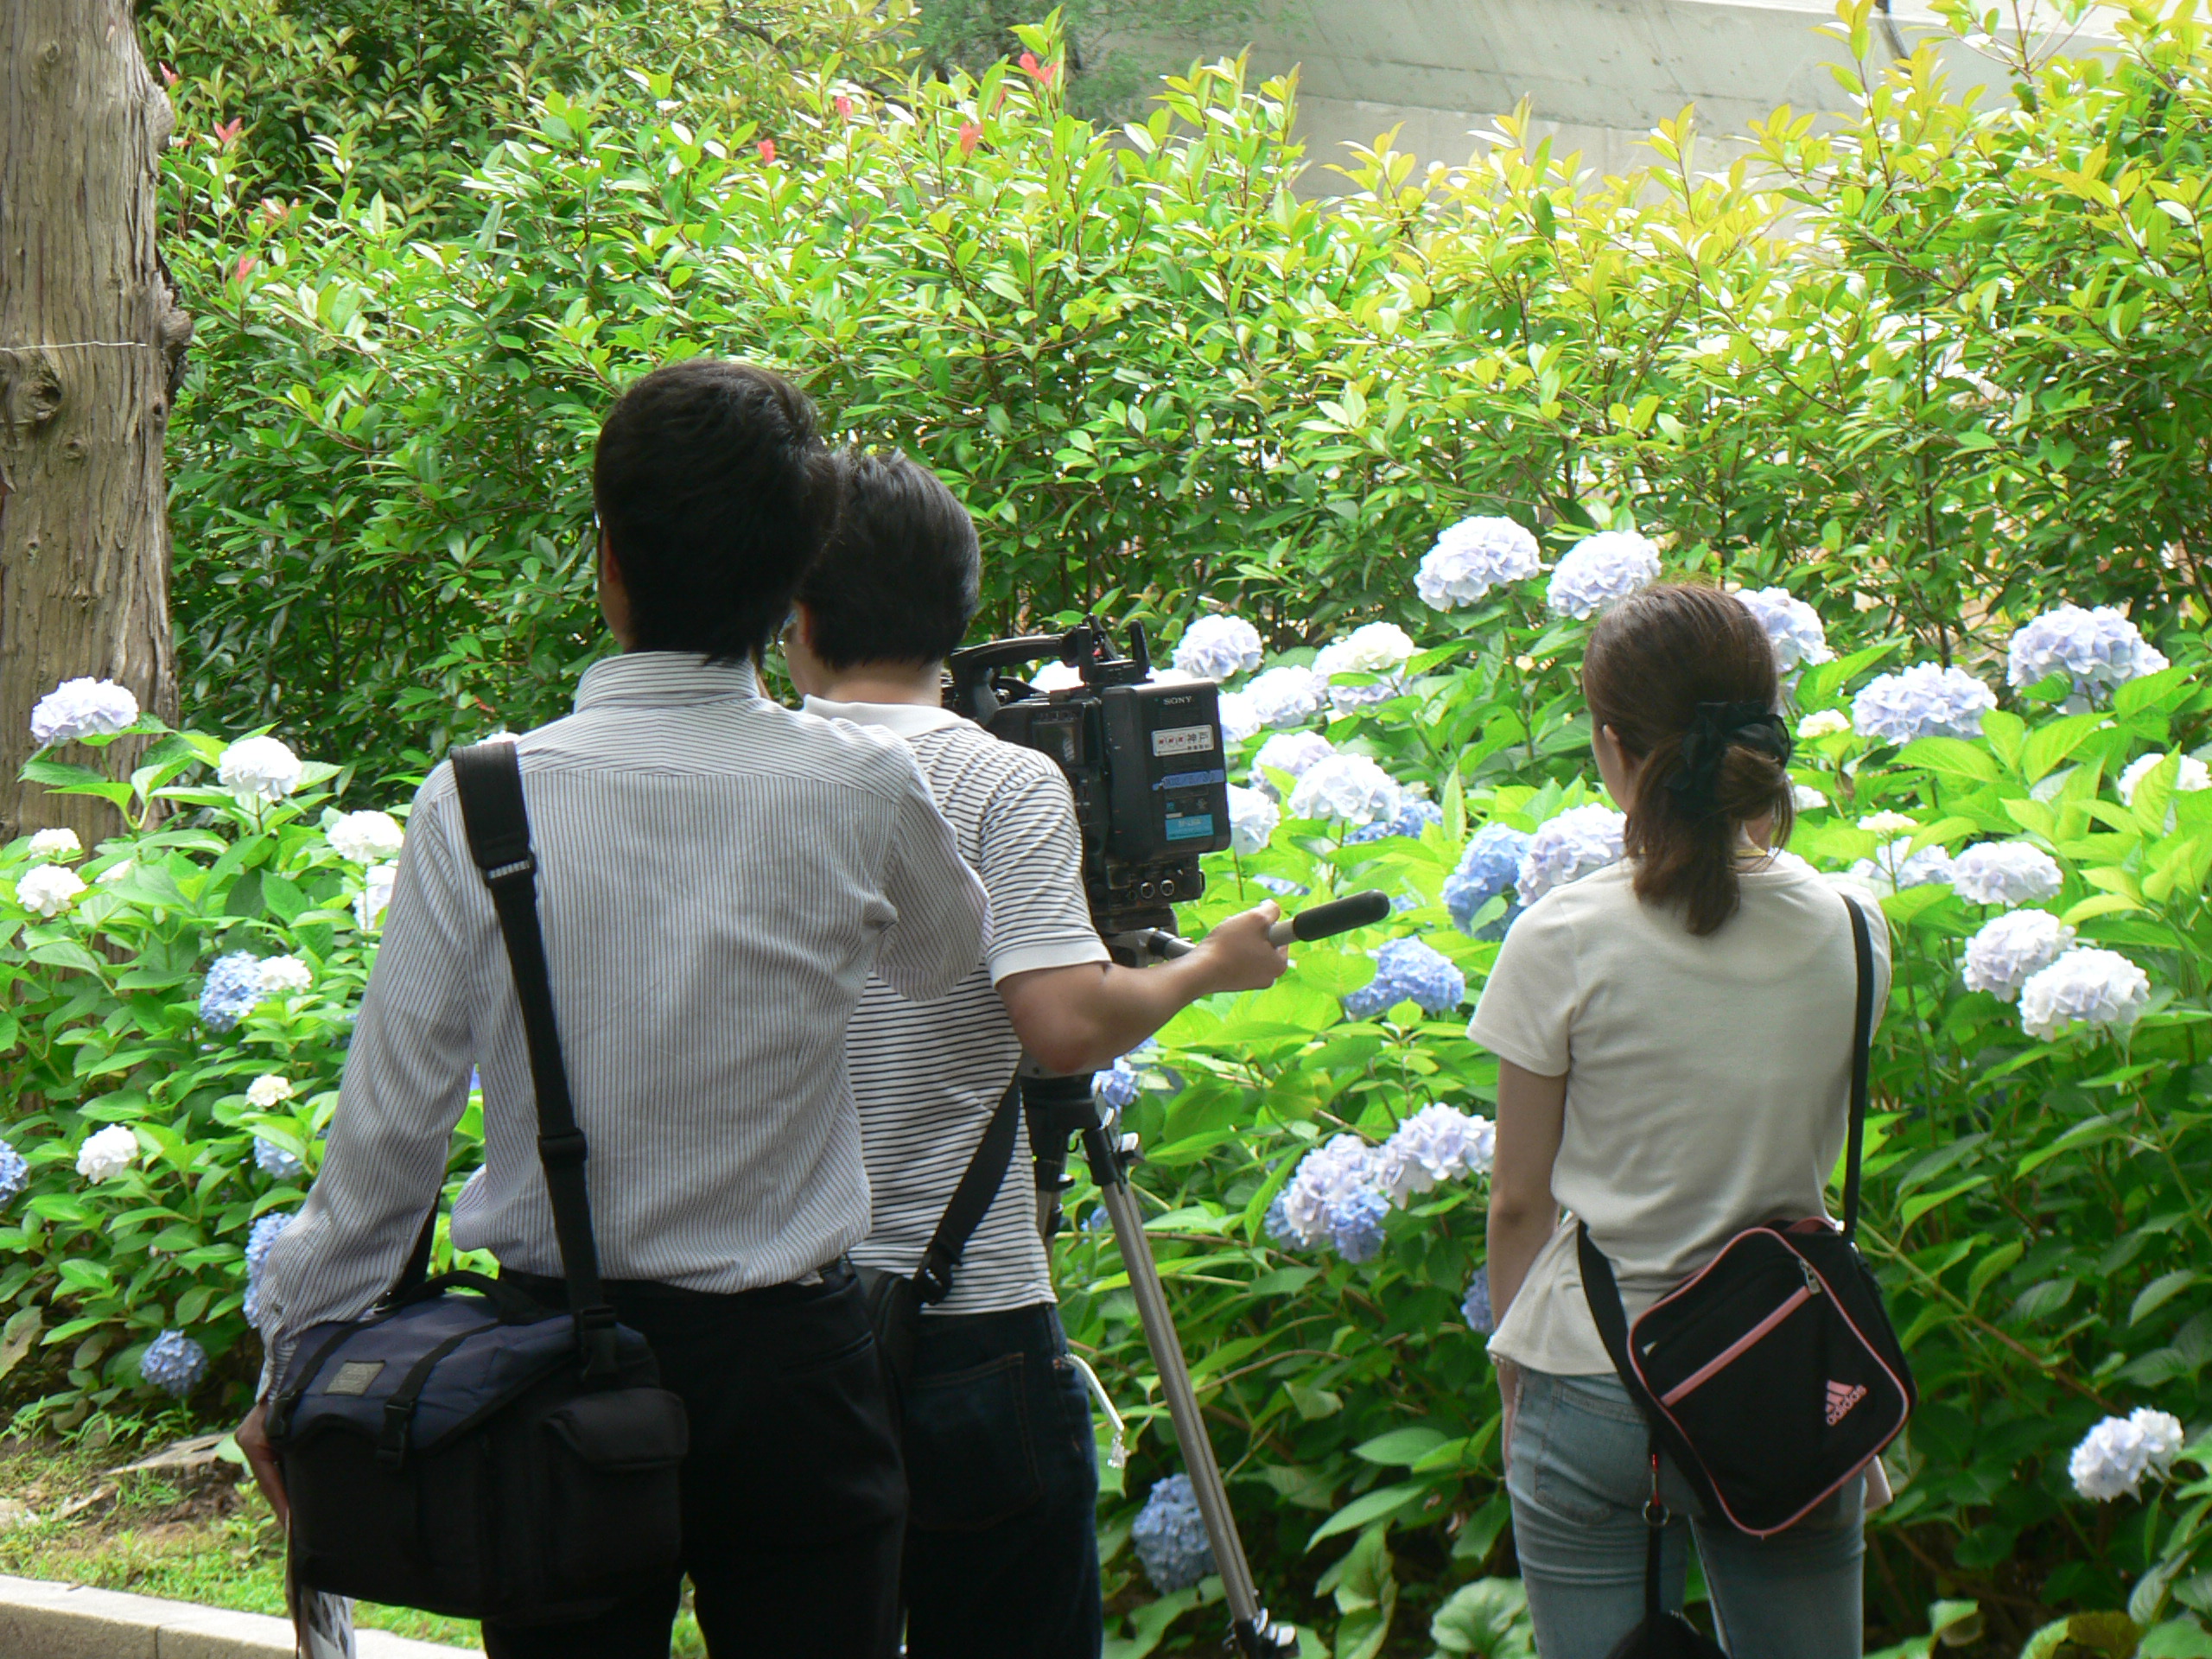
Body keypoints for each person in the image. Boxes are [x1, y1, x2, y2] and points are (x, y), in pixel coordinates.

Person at [239, 360, 990, 1659]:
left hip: (544, 1370)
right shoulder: (861, 790)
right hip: (794, 1378)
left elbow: (390, 1144)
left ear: (610, 562)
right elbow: (947, 968)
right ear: (794, 582)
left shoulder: (482, 800)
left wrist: (294, 1357)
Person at [781, 448, 1292, 1659]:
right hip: (969, 1315)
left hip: (786, 1320)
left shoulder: (748, 768)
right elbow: (1062, 1026)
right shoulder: (1003, 780)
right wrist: (1209, 966)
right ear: (959, 613)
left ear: (793, 616)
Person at [1472, 584, 1891, 1658]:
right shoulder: (1853, 928)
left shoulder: (1561, 939)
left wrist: (1519, 1388)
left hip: (1597, 1379)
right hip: (1786, 1377)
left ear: (1614, 749)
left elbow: (1518, 1205)